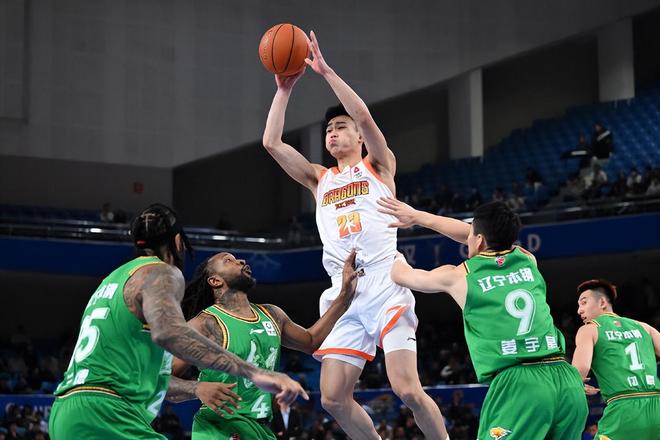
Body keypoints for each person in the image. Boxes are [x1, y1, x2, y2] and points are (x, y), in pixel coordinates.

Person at [262, 31, 448, 439]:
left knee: (407, 389)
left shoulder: (378, 165)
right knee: (332, 398)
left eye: (340, 127)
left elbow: (363, 115)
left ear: (359, 137)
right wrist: (284, 90)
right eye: (328, 129)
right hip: (342, 292)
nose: (332, 133)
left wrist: (326, 73)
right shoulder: (319, 179)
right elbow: (272, 143)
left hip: (383, 281)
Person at [49, 204, 306, 439]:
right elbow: (168, 332)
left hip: (66, 411)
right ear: (178, 241)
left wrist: (196, 388)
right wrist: (255, 372)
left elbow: (159, 374)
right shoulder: (161, 271)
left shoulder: (112, 280)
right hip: (107, 412)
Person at [377, 198, 588, 439]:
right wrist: (418, 217)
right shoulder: (528, 260)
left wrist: (390, 253)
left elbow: (402, 276)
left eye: (471, 235)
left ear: (478, 240)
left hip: (521, 384)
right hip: (566, 379)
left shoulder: (459, 276)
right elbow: (489, 235)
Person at [172, 249, 359, 439]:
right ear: (215, 281)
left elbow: (311, 341)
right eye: (228, 260)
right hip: (219, 429)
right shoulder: (204, 324)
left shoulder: (272, 314)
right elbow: (161, 379)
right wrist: (197, 389)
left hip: (261, 429)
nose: (241, 260)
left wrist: (345, 295)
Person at [572, 279, 660, 439]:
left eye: (584, 303)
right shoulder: (644, 327)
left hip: (624, 409)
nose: (579, 310)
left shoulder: (590, 329)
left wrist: (576, 382)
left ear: (602, 302)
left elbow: (579, 371)